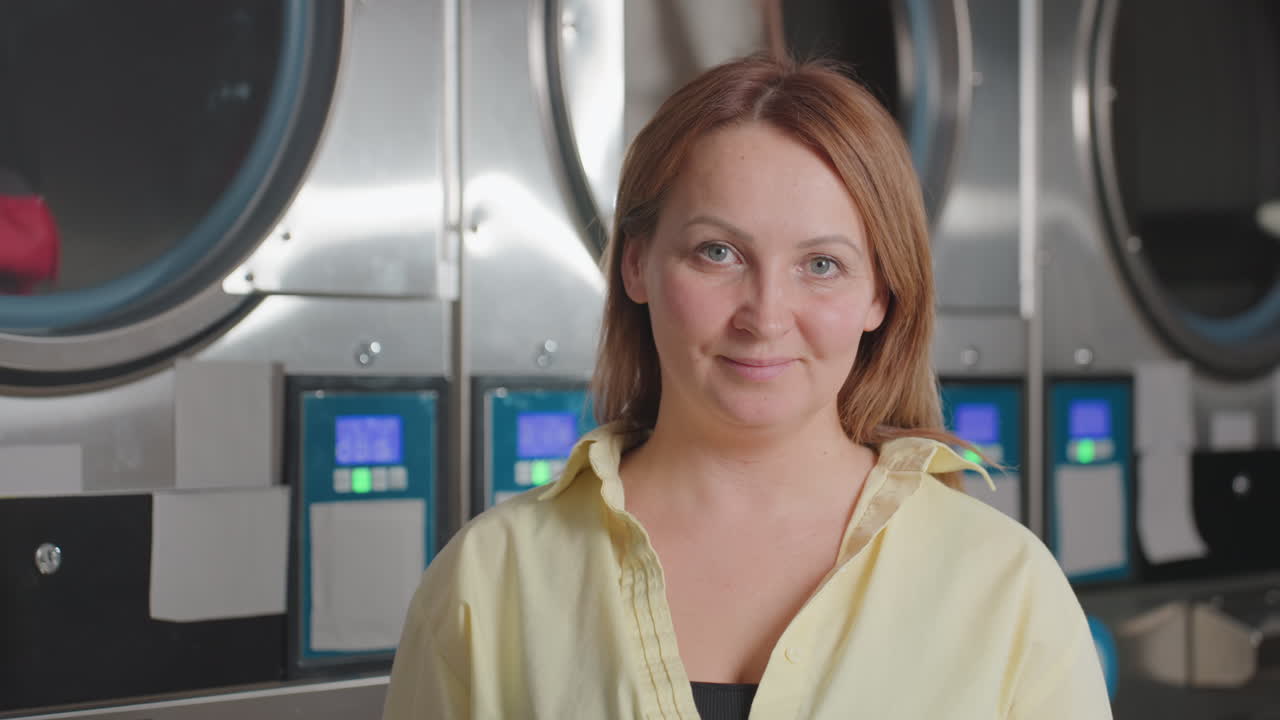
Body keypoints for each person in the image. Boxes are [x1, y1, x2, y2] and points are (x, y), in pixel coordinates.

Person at [383, 54, 1111, 719]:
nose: (765, 317)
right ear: (636, 266)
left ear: (881, 296)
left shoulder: (1005, 586)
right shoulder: (489, 580)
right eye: (718, 252)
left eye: (821, 264)